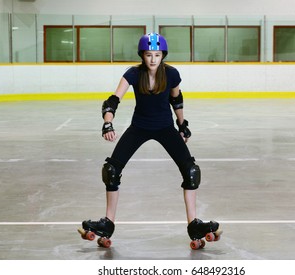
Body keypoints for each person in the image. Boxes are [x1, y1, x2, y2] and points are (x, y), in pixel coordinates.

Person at [81, 33, 221, 249]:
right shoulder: (133, 74)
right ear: (142, 56)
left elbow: (177, 99)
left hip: (165, 127)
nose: (153, 59)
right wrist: (108, 122)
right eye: (148, 55)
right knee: (111, 170)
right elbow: (112, 101)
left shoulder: (172, 74)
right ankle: (107, 224)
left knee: (191, 172)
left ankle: (194, 225)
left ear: (163, 55)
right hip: (139, 127)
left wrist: (182, 125)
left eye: (157, 54)